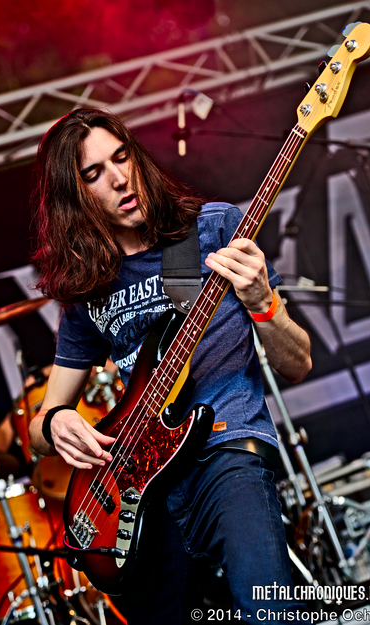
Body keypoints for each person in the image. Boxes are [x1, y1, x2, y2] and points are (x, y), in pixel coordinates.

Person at [29, 108, 312, 624]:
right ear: (75, 197)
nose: (119, 178)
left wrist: (262, 302)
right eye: (94, 174)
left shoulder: (214, 228)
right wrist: (56, 422)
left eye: (122, 157)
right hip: (140, 491)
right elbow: (39, 430)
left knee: (270, 611)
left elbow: (298, 364)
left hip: (226, 452)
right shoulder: (87, 288)